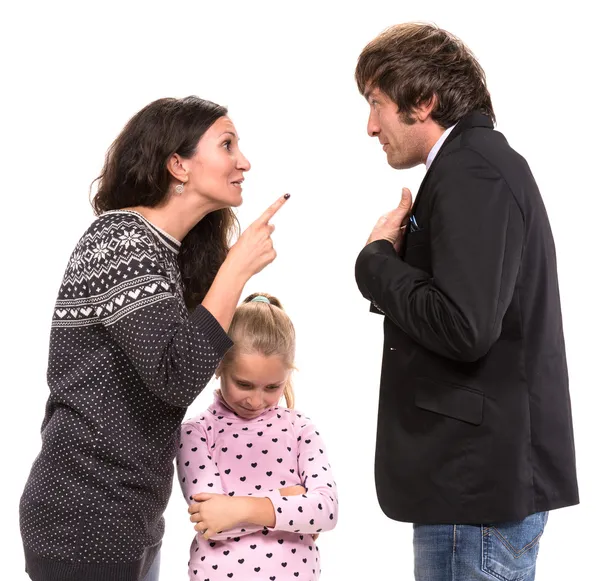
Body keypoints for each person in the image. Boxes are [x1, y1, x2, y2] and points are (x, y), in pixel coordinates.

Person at [19, 95, 290, 581]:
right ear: (178, 165)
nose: (243, 162)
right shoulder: (120, 240)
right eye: (227, 145)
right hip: (82, 515)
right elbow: (175, 376)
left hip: (133, 518)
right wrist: (236, 269)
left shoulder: (168, 255)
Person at [353, 23, 578, 581]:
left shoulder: (472, 169)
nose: (370, 125)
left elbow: (464, 326)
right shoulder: (474, 165)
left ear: (423, 100)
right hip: (476, 486)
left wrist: (376, 262)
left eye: (376, 103)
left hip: (471, 488)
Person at [177, 292, 338, 581]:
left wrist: (235, 508)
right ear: (219, 365)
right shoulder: (196, 432)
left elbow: (325, 510)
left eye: (272, 387)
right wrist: (287, 499)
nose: (255, 400)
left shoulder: (300, 429)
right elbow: (212, 522)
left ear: (287, 377)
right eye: (244, 384)